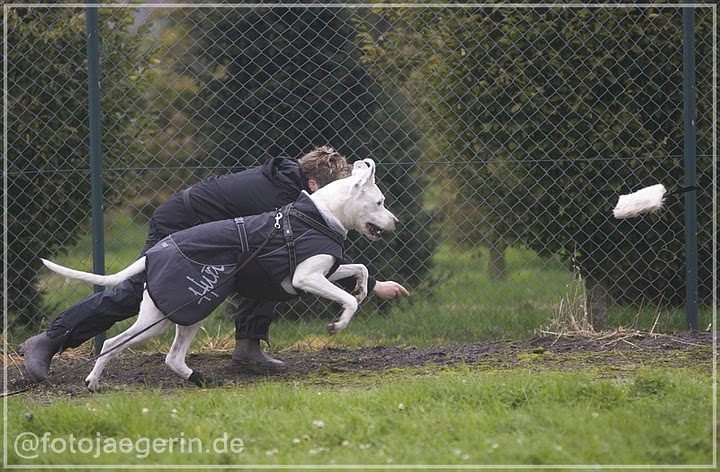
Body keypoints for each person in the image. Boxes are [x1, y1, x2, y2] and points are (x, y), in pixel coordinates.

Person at [20, 146, 410, 383]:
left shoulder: (298, 197)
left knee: (269, 269)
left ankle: (247, 348)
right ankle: (48, 340)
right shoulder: (283, 198)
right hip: (181, 223)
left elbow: (287, 261)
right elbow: (298, 259)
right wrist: (370, 284)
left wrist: (366, 278)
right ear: (313, 184)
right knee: (134, 293)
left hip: (220, 235)